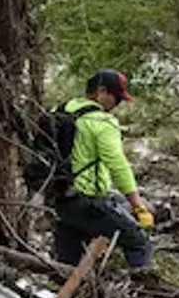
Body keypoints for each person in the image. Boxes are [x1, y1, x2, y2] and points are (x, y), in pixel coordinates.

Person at [53, 69, 155, 269]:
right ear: (101, 91)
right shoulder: (102, 121)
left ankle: (70, 297)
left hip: (60, 200)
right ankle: (145, 295)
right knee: (138, 242)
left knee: (70, 265)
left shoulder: (61, 110)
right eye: (116, 98)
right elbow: (117, 164)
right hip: (87, 200)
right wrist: (138, 206)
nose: (116, 104)